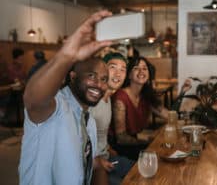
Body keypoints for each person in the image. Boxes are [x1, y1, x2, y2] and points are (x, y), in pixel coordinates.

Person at [19, 10, 113, 185]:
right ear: (72, 76)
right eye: (91, 76)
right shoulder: (56, 107)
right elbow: (33, 100)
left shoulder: (89, 122)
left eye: (104, 79)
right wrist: (66, 56)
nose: (98, 85)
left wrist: (98, 165)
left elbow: (88, 166)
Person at [111, 56, 168, 160]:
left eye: (145, 68)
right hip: (118, 149)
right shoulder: (120, 97)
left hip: (135, 144)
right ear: (129, 75)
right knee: (160, 156)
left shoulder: (145, 95)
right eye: (136, 68)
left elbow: (168, 115)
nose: (141, 71)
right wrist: (148, 140)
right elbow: (121, 138)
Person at [90, 52, 134, 185]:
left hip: (107, 157)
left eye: (123, 70)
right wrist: (96, 161)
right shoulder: (92, 100)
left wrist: (108, 148)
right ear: (102, 70)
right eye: (113, 67)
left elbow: (100, 134)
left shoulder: (108, 98)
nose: (118, 74)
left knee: (141, 169)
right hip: (92, 166)